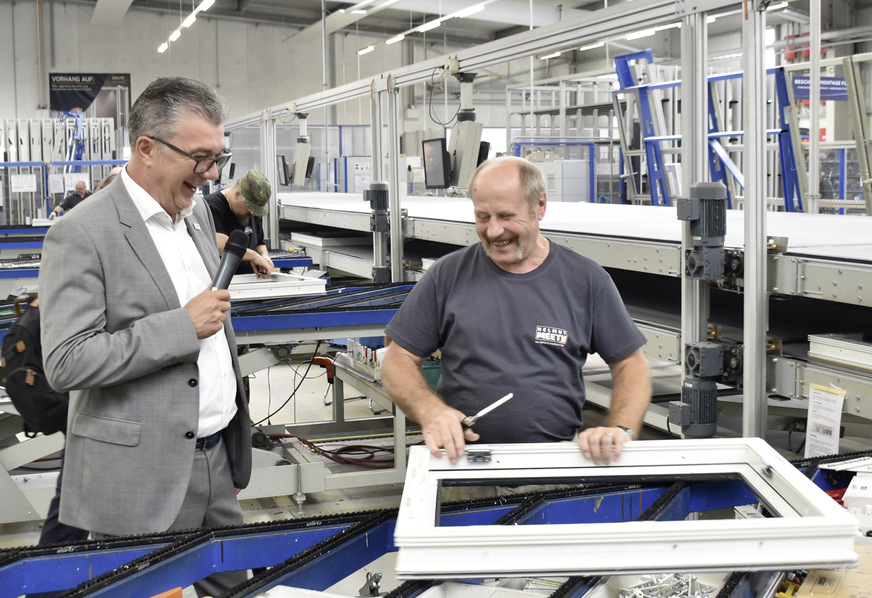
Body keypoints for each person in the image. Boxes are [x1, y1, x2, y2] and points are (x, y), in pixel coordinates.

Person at [38, 77, 252, 596]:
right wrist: (182, 325)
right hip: (141, 474)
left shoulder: (195, 214)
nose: (211, 175)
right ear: (147, 149)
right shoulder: (82, 231)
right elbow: (66, 360)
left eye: (219, 157)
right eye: (200, 158)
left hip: (216, 460)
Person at [380, 156, 652, 467]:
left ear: (540, 206)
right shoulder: (447, 275)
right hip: (463, 465)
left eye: (506, 216)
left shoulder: (585, 280)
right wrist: (430, 410)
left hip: (554, 468)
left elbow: (631, 364)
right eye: (483, 217)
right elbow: (396, 358)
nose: (494, 231)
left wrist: (618, 428)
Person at [204, 169, 276, 277]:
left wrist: (264, 256)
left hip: (249, 281)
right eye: (250, 209)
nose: (252, 214)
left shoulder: (251, 212)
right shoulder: (211, 207)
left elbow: (259, 243)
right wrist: (253, 256)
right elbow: (219, 245)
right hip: (220, 281)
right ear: (237, 194)